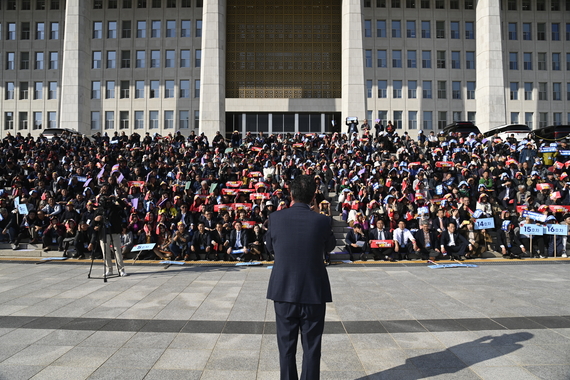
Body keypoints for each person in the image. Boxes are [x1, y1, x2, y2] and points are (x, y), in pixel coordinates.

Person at [266, 175, 336, 380]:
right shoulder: (322, 220)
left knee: (286, 349)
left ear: (290, 194)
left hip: (283, 290)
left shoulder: (275, 218)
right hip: (313, 291)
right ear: (313, 196)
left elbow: (270, 247)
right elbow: (330, 247)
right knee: (312, 349)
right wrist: (317, 214)